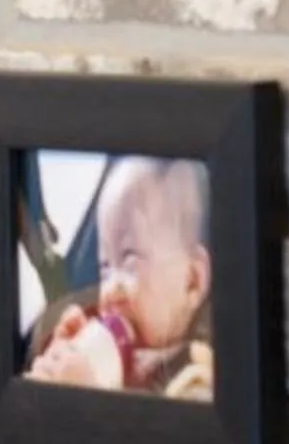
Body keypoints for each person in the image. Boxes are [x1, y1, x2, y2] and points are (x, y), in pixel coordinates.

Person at [26, 155, 215, 402]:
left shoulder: (198, 379)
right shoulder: (118, 357)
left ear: (192, 281)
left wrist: (89, 401)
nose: (110, 291)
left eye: (130, 262)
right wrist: (60, 364)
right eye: (105, 268)